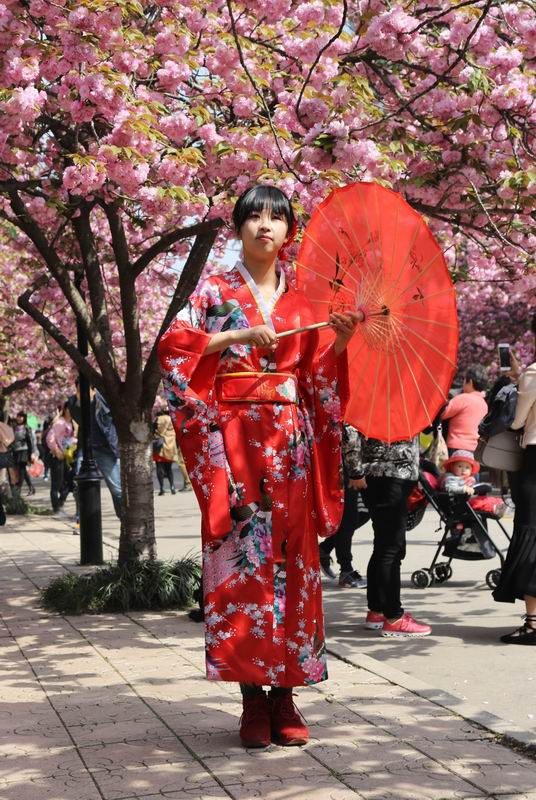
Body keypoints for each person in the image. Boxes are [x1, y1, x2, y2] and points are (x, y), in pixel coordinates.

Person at [158, 184, 358, 749]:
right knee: (241, 567)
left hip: (291, 447)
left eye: (277, 218)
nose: (264, 225)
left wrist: (338, 343)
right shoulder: (214, 290)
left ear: (290, 232)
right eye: (253, 216)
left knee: (293, 565)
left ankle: (286, 693)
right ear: (238, 227)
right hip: (235, 442)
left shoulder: (307, 301)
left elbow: (319, 382)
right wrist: (239, 334)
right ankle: (251, 697)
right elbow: (174, 349)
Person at [350, 430, 432, 637]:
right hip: (386, 477)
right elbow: (350, 433)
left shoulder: (401, 403)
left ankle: (377, 610)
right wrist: (355, 471)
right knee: (391, 549)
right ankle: (393, 617)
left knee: (385, 546)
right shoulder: (371, 400)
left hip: (395, 476)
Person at [493, 312, 536, 644]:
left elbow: (518, 423)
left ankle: (533, 623)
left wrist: (517, 381)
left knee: (531, 533)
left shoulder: (533, 374)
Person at [319, 423, 368, 588]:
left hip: (351, 465)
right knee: (348, 518)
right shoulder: (349, 404)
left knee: (357, 516)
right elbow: (351, 435)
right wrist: (356, 471)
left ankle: (325, 549)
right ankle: (346, 570)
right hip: (345, 467)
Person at [441, 365, 488, 456]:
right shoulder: (484, 404)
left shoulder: (463, 398)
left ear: (469, 382)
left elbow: (443, 413)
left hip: (455, 445)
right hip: (473, 449)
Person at [91, 390, 122, 519]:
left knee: (118, 489)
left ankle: (124, 519)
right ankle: (80, 519)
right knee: (79, 486)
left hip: (109, 447)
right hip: (92, 447)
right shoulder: (75, 403)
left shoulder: (102, 399)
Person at [153, 410, 192, 494]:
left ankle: (162, 489)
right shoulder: (171, 418)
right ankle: (172, 487)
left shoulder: (158, 419)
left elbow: (155, 430)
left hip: (160, 446)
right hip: (171, 445)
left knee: (160, 467)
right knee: (169, 468)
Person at [46, 403, 76, 512]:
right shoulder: (60, 422)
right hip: (57, 456)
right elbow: (50, 438)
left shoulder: (72, 423)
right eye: (69, 409)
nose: (71, 411)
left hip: (67, 457)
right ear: (65, 410)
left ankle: (59, 503)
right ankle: (56, 508)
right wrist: (56, 450)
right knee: (56, 484)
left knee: (69, 482)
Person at [12, 411, 37, 495]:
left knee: (22, 468)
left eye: (21, 417)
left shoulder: (26, 427)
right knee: (23, 470)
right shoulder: (14, 427)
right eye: (18, 416)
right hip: (16, 450)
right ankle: (31, 487)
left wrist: (32, 453)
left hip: (24, 450)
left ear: (24, 418)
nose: (19, 418)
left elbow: (30, 441)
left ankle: (19, 487)